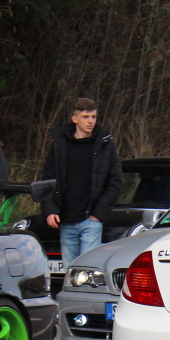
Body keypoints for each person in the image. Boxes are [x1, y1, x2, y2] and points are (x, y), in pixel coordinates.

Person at [40, 98, 123, 265]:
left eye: (93, 117)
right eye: (86, 117)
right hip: (66, 219)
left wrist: (98, 215)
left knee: (87, 269)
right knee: (69, 271)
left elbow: (115, 181)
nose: (90, 121)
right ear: (74, 119)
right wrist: (50, 209)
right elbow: (47, 180)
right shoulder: (60, 143)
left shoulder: (104, 143)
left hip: (90, 219)